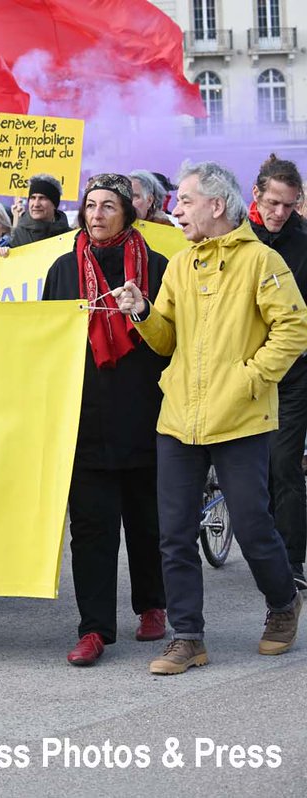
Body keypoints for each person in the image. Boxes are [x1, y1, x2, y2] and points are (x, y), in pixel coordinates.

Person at [114, 161, 307, 675]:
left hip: (240, 418)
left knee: (252, 524)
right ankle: (188, 637)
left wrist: (250, 379)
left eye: (186, 200)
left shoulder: (261, 261)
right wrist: (141, 313)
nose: (177, 209)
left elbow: (293, 328)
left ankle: (284, 602)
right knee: (173, 532)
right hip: (178, 418)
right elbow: (166, 340)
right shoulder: (180, 265)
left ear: (216, 205)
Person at [41, 174, 169, 666]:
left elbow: (169, 337)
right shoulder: (61, 270)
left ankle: (152, 605)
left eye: (108, 206)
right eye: (90, 206)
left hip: (144, 411)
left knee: (146, 521)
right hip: (84, 416)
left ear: (128, 213)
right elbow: (46, 341)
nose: (96, 215)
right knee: (91, 531)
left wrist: (143, 311)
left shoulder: (156, 266)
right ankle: (94, 628)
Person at [248, 154, 307, 592]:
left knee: (285, 465)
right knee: (257, 469)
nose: (279, 213)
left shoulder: (304, 240)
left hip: (293, 372)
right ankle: (262, 551)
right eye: (273, 203)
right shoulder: (236, 238)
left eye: (288, 205)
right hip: (244, 370)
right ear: (256, 196)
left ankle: (290, 563)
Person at [8, 174, 70, 247]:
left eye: (42, 198)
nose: (36, 204)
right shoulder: (17, 236)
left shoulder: (69, 236)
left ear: (54, 204)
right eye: (33, 198)